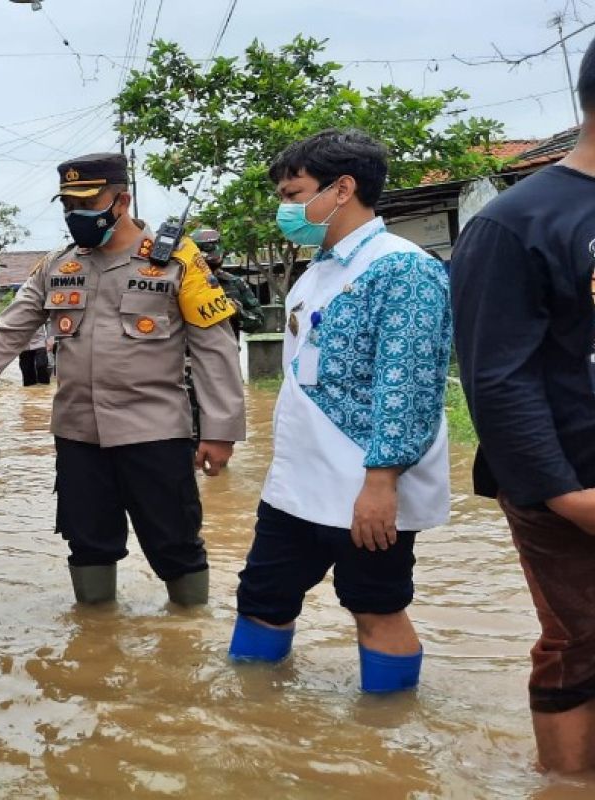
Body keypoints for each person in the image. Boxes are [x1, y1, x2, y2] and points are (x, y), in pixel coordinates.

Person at [0, 153, 246, 607]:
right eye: (67, 203)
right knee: (88, 544)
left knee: (175, 544)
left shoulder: (179, 263)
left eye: (87, 202)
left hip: (156, 433)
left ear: (122, 200)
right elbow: (7, 332)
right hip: (79, 435)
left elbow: (214, 349)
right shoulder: (58, 266)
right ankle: (96, 639)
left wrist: (221, 433)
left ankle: (189, 637)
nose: (74, 214)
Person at [228, 130, 452, 696]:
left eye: (293, 192)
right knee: (261, 597)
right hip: (296, 483)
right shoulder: (316, 273)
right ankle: (253, 718)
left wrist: (381, 481)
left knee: (375, 606)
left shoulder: (404, 269)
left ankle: (387, 732)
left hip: (367, 482)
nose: (285, 208)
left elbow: (408, 383)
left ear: (342, 188)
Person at [449, 38, 595, 774]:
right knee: (581, 638)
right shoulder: (516, 223)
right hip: (568, 482)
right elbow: (497, 379)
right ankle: (566, 783)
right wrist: (569, 497)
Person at [193, 228, 266, 335]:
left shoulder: (234, 282)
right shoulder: (183, 284)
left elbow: (258, 322)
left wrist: (237, 312)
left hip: (228, 349)